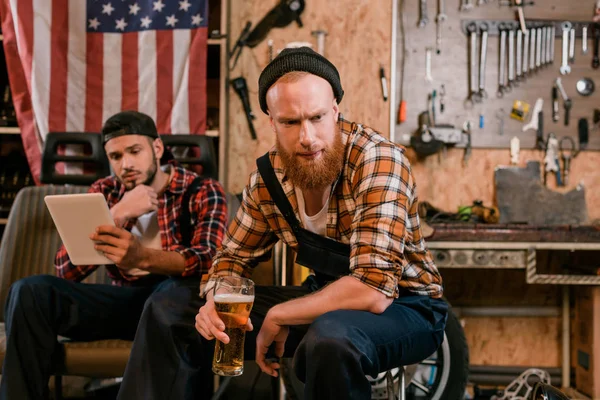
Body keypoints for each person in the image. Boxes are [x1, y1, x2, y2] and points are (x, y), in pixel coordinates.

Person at [117, 47, 446, 399]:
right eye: (290, 122)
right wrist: (216, 300)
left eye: (317, 117)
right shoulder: (268, 179)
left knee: (331, 337)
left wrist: (279, 315)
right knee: (170, 308)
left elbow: (374, 289)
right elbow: (230, 259)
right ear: (272, 122)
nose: (307, 137)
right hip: (323, 303)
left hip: (407, 308)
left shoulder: (377, 160)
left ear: (335, 110)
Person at [0, 111, 228, 400]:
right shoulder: (106, 191)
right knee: (29, 292)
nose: (126, 164)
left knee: (172, 293)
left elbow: (209, 260)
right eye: (116, 156)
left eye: (134, 151)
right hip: (124, 303)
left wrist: (142, 258)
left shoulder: (202, 190)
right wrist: (118, 213)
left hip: (176, 307)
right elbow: (65, 270)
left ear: (157, 149)